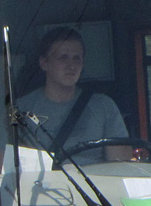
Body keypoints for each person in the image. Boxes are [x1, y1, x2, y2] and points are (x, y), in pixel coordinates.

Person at [15, 26, 130, 165]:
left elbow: (121, 167)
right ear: (44, 63)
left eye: (77, 58)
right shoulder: (19, 111)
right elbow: (3, 171)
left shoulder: (105, 108)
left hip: (93, 186)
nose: (72, 65)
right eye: (63, 57)